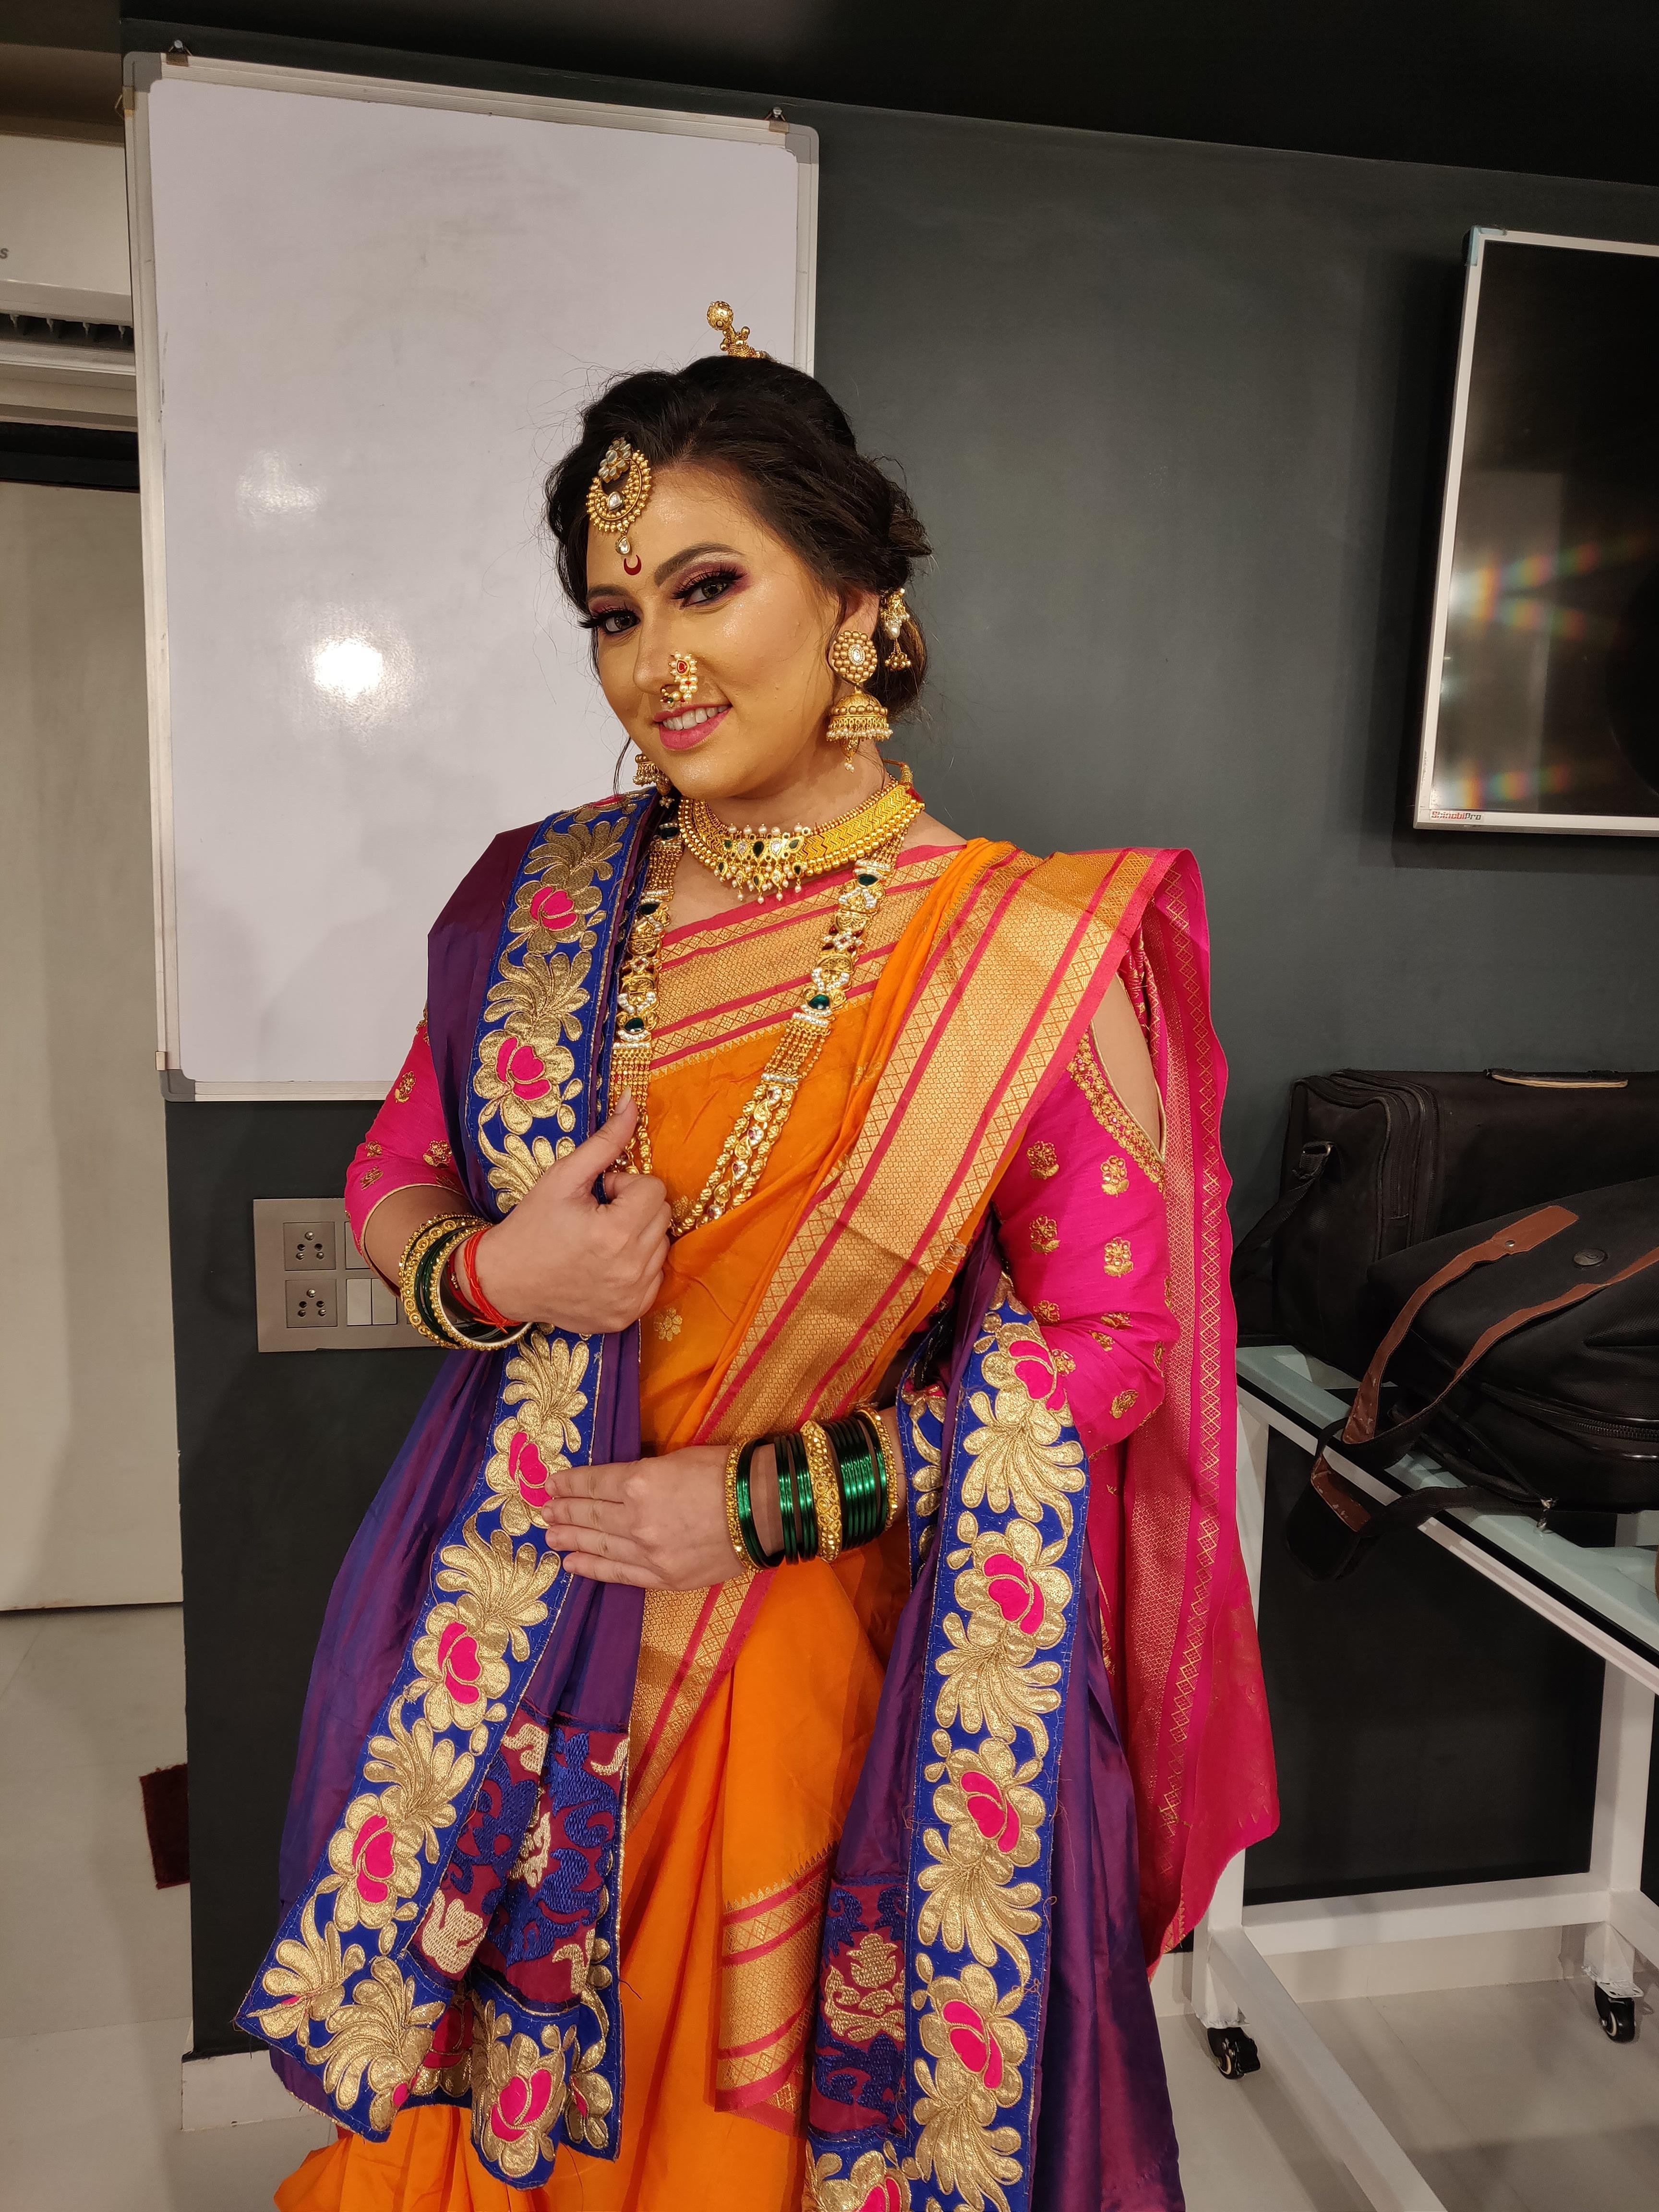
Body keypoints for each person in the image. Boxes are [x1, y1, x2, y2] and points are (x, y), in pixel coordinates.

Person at [245, 303, 1276, 2212]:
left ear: (859, 599)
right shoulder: (536, 898)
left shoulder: (1022, 954)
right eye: (612, 616)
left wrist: (767, 1499)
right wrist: (497, 1279)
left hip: (812, 1656)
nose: (656, 663)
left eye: (706, 587)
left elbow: (1115, 1345)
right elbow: (396, 1173)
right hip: (514, 1615)